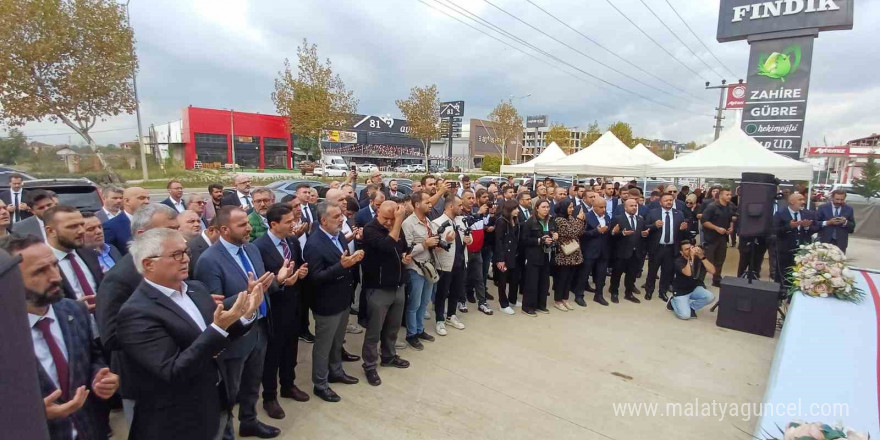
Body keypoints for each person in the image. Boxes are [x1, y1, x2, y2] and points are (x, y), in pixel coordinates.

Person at [118, 228, 262, 440]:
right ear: (149, 264)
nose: (185, 259)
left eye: (186, 252)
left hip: (215, 399)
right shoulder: (136, 313)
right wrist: (218, 329)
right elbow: (173, 370)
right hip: (180, 419)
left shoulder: (196, 289)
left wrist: (246, 316)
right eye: (176, 255)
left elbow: (220, 336)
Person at [1, 234, 119, 440]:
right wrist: (32, 415)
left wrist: (100, 376)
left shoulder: (73, 310)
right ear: (11, 280)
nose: (56, 277)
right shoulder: (7, 332)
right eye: (40, 271)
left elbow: (92, 357)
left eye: (54, 266)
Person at [194, 206, 283, 438]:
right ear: (224, 229)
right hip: (234, 337)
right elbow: (214, 307)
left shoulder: (251, 249)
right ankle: (226, 433)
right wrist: (247, 292)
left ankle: (249, 421)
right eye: (242, 224)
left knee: (253, 383)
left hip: (259, 326)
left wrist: (277, 281)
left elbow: (262, 286)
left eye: (248, 223)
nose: (249, 228)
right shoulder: (209, 260)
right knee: (229, 391)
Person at [96, 203, 179, 424]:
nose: (178, 236)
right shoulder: (119, 279)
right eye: (169, 231)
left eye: (177, 229)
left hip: (176, 374)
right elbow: (111, 336)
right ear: (142, 235)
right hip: (144, 382)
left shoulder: (172, 265)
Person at [253, 204, 311, 419]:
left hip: (293, 305)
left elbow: (298, 265)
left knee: (291, 349)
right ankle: (270, 397)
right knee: (272, 355)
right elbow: (260, 283)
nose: (293, 225)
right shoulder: (258, 247)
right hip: (273, 310)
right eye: (288, 222)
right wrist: (281, 280)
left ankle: (289, 385)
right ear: (273, 224)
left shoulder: (292, 241)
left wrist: (301, 272)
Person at [303, 202, 364, 402]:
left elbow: (344, 261)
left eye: (342, 215)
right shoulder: (314, 244)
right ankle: (320, 384)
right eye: (337, 216)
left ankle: (336, 372)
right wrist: (341, 266)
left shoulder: (338, 235)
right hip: (326, 304)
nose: (342, 219)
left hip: (343, 299)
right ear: (323, 220)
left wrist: (353, 260)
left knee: (338, 341)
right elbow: (315, 278)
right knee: (323, 346)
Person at [360, 200, 411, 386]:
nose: (390, 223)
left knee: (393, 327)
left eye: (393, 219)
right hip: (379, 289)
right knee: (374, 331)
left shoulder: (397, 227)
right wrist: (398, 221)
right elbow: (387, 246)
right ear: (377, 213)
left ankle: (389, 356)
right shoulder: (370, 229)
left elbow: (402, 246)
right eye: (387, 219)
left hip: (398, 285)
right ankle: (370, 365)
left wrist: (406, 255)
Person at [401, 191, 440, 350]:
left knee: (424, 302)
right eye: (427, 202)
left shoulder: (427, 221)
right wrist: (425, 244)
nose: (430, 205)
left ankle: (419, 329)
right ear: (417, 204)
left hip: (429, 267)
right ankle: (411, 334)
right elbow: (407, 250)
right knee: (414, 304)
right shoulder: (408, 223)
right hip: (416, 269)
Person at [43, 206, 103, 306]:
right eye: (72, 226)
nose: (81, 231)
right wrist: (72, 310)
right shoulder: (38, 264)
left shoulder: (90, 253)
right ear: (51, 231)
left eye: (82, 225)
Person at [431, 193, 471, 334]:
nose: (462, 207)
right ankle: (439, 320)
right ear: (450, 206)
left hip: (460, 262)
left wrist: (468, 239)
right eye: (459, 205)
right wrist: (446, 241)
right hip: (445, 265)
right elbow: (434, 247)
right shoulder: (437, 223)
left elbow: (469, 239)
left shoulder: (461, 220)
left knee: (456, 291)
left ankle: (451, 316)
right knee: (442, 294)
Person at [644, 194, 687, 302]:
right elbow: (645, 227)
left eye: (670, 200)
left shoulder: (679, 213)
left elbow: (683, 232)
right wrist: (654, 225)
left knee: (667, 271)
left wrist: (683, 228)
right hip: (657, 247)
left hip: (671, 248)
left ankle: (662, 291)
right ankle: (649, 290)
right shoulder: (653, 212)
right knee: (652, 271)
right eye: (666, 200)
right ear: (660, 202)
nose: (669, 202)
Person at [519, 199, 557, 316]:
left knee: (544, 281)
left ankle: (541, 304)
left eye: (547, 207)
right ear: (537, 208)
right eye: (543, 207)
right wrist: (540, 240)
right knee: (532, 282)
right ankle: (528, 306)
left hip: (547, 254)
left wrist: (554, 236)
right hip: (533, 256)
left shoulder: (551, 220)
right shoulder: (530, 222)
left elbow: (553, 232)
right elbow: (524, 240)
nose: (546, 209)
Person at [773, 192, 818, 284]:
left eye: (803, 200)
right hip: (785, 250)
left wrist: (806, 227)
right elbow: (774, 230)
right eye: (800, 200)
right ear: (791, 202)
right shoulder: (780, 214)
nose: (803, 202)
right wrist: (789, 226)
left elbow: (816, 228)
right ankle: (780, 294)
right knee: (783, 275)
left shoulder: (808, 214)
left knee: (799, 275)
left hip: (802, 251)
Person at [609, 199, 646, 304]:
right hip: (621, 252)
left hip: (635, 253)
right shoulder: (618, 219)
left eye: (635, 205)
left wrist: (644, 234)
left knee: (631, 274)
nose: (634, 207)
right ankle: (614, 292)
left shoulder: (640, 219)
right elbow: (612, 235)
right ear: (625, 207)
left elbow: (641, 233)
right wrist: (621, 233)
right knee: (617, 274)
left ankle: (628, 293)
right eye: (631, 206)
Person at [462, 189, 493, 315]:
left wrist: (489, 214)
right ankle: (461, 300)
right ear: (462, 199)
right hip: (466, 251)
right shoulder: (460, 213)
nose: (471, 201)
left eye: (472, 198)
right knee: (463, 277)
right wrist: (479, 214)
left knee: (479, 278)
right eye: (468, 198)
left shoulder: (476, 211)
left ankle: (482, 302)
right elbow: (466, 224)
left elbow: (485, 225)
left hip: (477, 250)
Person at [668, 240, 716, 320]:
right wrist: (690, 258)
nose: (690, 250)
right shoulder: (678, 261)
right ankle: (673, 302)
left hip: (694, 288)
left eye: (691, 248)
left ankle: (692, 307)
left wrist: (702, 257)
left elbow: (713, 271)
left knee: (710, 297)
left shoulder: (698, 258)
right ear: (681, 252)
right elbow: (688, 273)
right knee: (685, 316)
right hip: (681, 292)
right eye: (686, 249)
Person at [700, 188, 736, 287]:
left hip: (723, 238)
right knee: (707, 260)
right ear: (720, 196)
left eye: (730, 194)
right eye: (727, 194)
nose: (729, 196)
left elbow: (732, 218)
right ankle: (699, 280)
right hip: (711, 238)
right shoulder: (712, 207)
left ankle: (716, 279)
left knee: (720, 259)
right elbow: (704, 221)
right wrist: (716, 228)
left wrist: (731, 227)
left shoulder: (730, 206)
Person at [552, 200, 584, 311]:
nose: (572, 209)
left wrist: (579, 222)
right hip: (564, 254)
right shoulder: (559, 220)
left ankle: (565, 299)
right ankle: (558, 300)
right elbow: (572, 233)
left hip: (573, 253)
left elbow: (580, 232)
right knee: (562, 278)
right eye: (570, 207)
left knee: (569, 279)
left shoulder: (569, 218)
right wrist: (579, 220)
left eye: (572, 207)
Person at [103, 186, 150, 254]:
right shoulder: (111, 226)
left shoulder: (152, 221)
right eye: (141, 198)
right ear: (127, 201)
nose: (147, 201)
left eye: (148, 198)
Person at [494, 199, 521, 315]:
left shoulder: (515, 220)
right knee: (503, 281)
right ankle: (503, 304)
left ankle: (512, 299)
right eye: (515, 208)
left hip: (514, 255)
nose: (518, 211)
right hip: (504, 256)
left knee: (514, 279)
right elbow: (498, 241)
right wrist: (500, 259)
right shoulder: (501, 222)